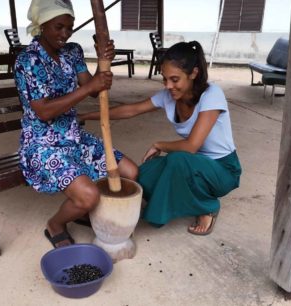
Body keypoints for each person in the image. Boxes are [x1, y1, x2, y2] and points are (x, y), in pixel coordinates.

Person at [79, 41, 241, 235]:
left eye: (174, 79)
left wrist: (159, 144)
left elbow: (191, 146)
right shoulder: (169, 96)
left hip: (222, 170)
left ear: (194, 73)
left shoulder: (212, 95)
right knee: (142, 175)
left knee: (178, 159)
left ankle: (207, 206)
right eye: (165, 79)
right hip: (193, 164)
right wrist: (86, 116)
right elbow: (131, 109)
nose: (168, 86)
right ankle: (174, 198)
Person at [14, 0, 138, 248]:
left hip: (74, 137)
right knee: (89, 195)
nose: (65, 34)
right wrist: (91, 87)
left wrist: (104, 63)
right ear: (42, 25)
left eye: (69, 27)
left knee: (130, 173)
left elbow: (92, 88)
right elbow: (43, 112)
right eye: (59, 27)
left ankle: (84, 209)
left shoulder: (73, 51)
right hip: (42, 144)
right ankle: (56, 224)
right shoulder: (28, 60)